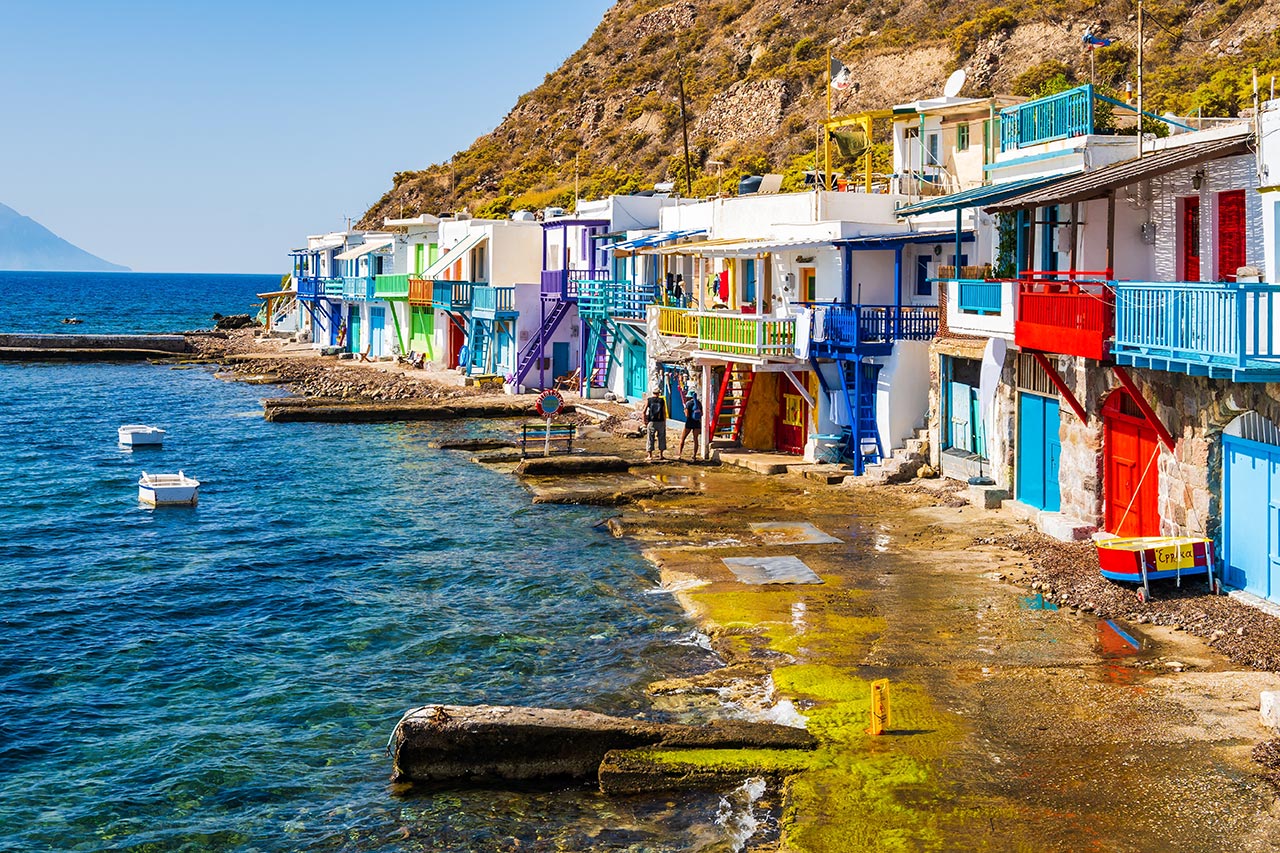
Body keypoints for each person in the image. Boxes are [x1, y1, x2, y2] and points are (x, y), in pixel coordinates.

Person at [643, 386, 668, 461]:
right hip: (660, 421)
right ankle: (661, 455)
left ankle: (650, 455)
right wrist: (664, 421)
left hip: (652, 421)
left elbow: (643, 411)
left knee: (650, 438)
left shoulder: (649, 400)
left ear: (653, 392)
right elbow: (664, 412)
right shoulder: (662, 400)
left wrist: (644, 421)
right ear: (659, 393)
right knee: (662, 437)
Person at [678, 389, 702, 460]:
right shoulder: (699, 403)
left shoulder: (688, 404)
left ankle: (679, 454)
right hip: (697, 423)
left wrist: (684, 410)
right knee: (696, 439)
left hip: (689, 423)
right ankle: (694, 455)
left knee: (683, 439)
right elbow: (702, 414)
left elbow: (687, 415)